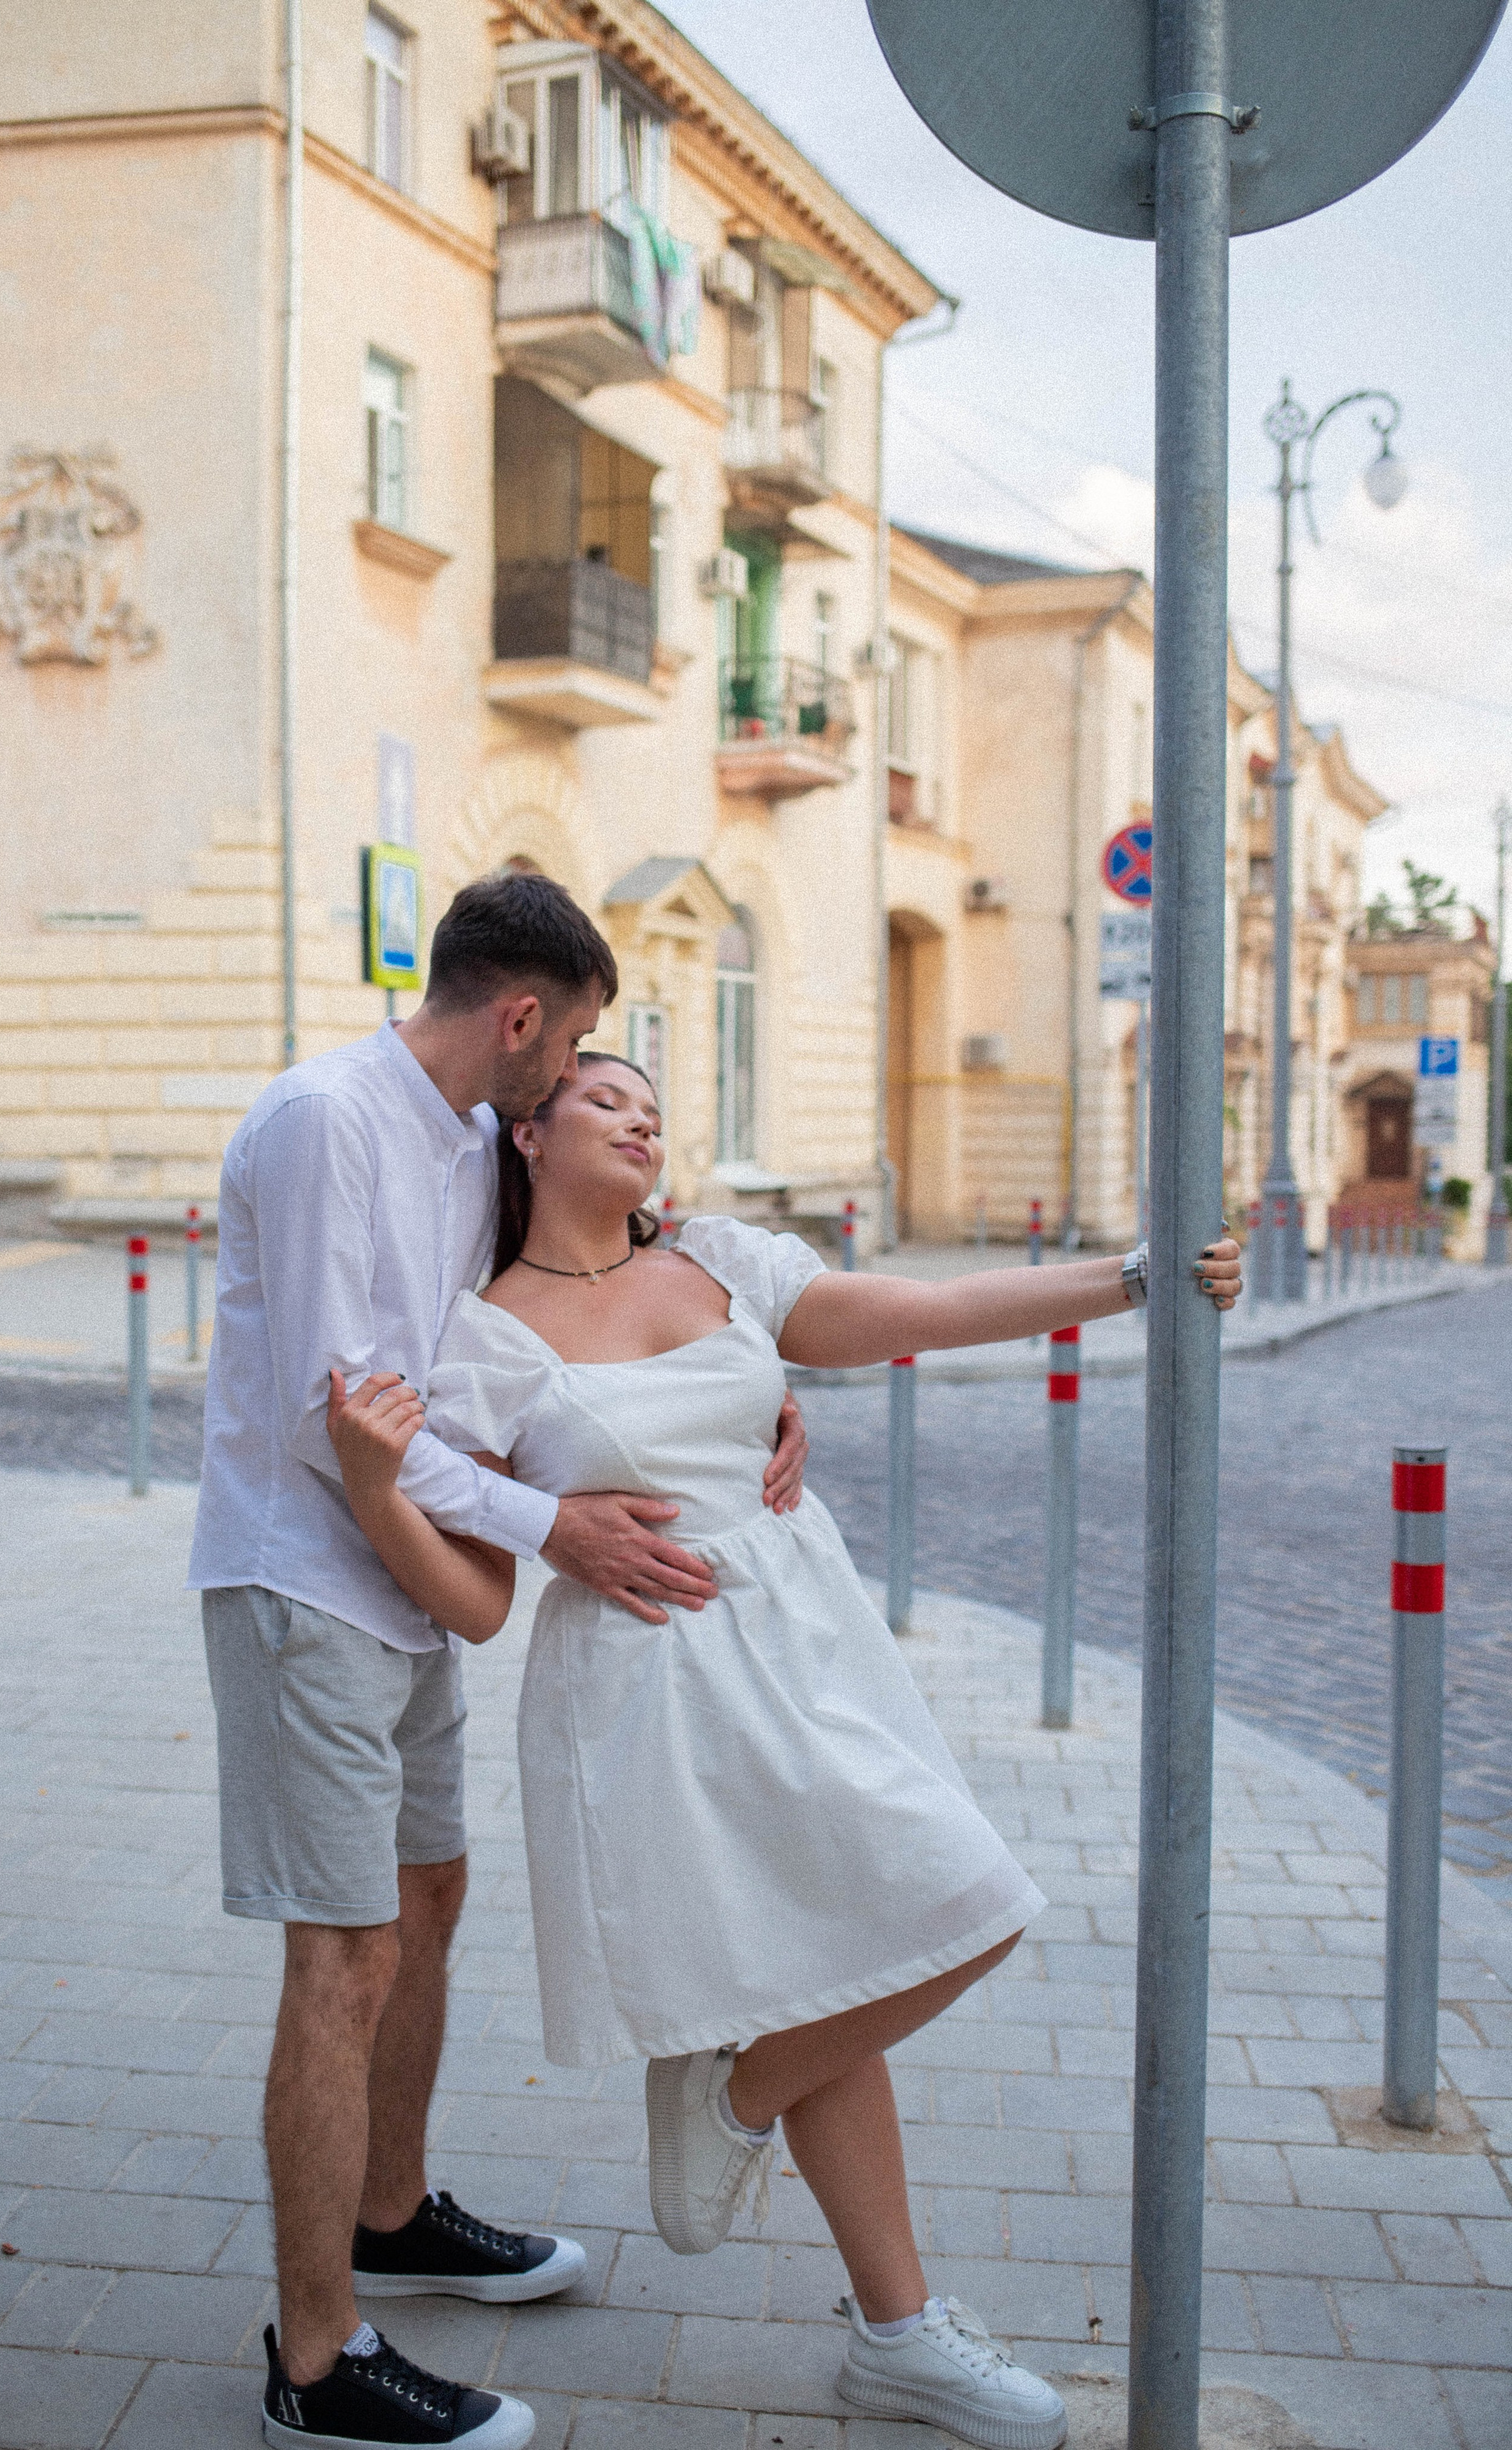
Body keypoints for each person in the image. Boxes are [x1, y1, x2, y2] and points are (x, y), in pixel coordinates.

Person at [327, 1052, 1243, 2450]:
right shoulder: (489, 1334)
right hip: (646, 1685)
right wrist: (381, 1491)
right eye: (603, 1099)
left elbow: (918, 1311)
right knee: (884, 1944)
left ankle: (755, 2120)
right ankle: (891, 2325)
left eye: (652, 1103)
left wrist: (1128, 1281)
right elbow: (477, 1601)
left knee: (942, 1912)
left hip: (807, 1642)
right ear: (527, 1132)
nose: (641, 1117)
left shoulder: (720, 1258)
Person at [187, 877, 808, 2450]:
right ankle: (316, 2361)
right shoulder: (326, 1121)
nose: (582, 1067)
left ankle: (389, 2214)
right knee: (341, 1959)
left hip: (412, 1586)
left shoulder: (468, 1134)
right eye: (581, 1036)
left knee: (426, 1903)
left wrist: (748, 1389)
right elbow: (355, 1420)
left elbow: (572, 1285)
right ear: (521, 1016)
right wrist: (558, 1529)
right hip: (303, 1581)